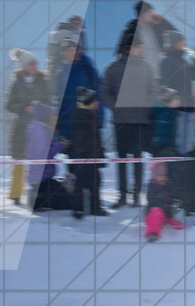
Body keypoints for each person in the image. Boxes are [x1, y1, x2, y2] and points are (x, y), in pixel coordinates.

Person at [101, 32, 157, 208]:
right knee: (122, 161)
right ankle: (122, 196)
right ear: (128, 49)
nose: (140, 50)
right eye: (137, 47)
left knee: (138, 160)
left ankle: (136, 196)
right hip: (121, 122)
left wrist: (146, 105)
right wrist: (115, 107)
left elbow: (153, 91)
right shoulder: (113, 68)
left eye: (141, 47)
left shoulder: (146, 67)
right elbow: (104, 92)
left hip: (140, 121)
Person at [5, 48, 51, 205]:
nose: (35, 65)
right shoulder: (16, 83)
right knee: (19, 159)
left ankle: (37, 192)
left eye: (36, 63)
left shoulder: (44, 82)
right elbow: (9, 105)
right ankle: (16, 194)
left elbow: (49, 103)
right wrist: (24, 107)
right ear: (24, 65)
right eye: (31, 63)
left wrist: (38, 108)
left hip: (39, 125)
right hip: (21, 126)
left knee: (38, 160)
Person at [53, 36, 103, 146]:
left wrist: (99, 119)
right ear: (64, 53)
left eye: (74, 50)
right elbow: (57, 99)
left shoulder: (88, 70)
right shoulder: (60, 74)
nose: (72, 53)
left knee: (89, 159)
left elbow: (99, 95)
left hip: (88, 124)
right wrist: (56, 123)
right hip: (68, 125)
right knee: (73, 159)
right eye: (69, 50)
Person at [68, 87, 108, 217]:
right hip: (83, 156)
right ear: (88, 102)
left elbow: (96, 138)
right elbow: (79, 138)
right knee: (80, 182)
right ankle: (78, 209)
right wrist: (79, 156)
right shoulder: (82, 116)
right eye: (95, 101)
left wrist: (100, 153)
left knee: (95, 181)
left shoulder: (91, 114)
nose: (98, 103)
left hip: (92, 155)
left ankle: (95, 208)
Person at [160, 29, 195, 153]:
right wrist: (172, 100)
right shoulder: (167, 61)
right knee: (179, 140)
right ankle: (179, 164)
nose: (184, 43)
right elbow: (165, 84)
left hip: (188, 105)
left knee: (188, 141)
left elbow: (193, 77)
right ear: (175, 43)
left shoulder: (182, 60)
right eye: (182, 41)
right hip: (177, 107)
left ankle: (186, 164)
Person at [119, 0, 178, 82]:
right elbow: (120, 53)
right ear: (142, 14)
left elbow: (175, 35)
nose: (152, 14)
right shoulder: (131, 31)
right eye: (149, 12)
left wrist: (162, 21)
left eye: (152, 12)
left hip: (158, 75)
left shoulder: (156, 28)